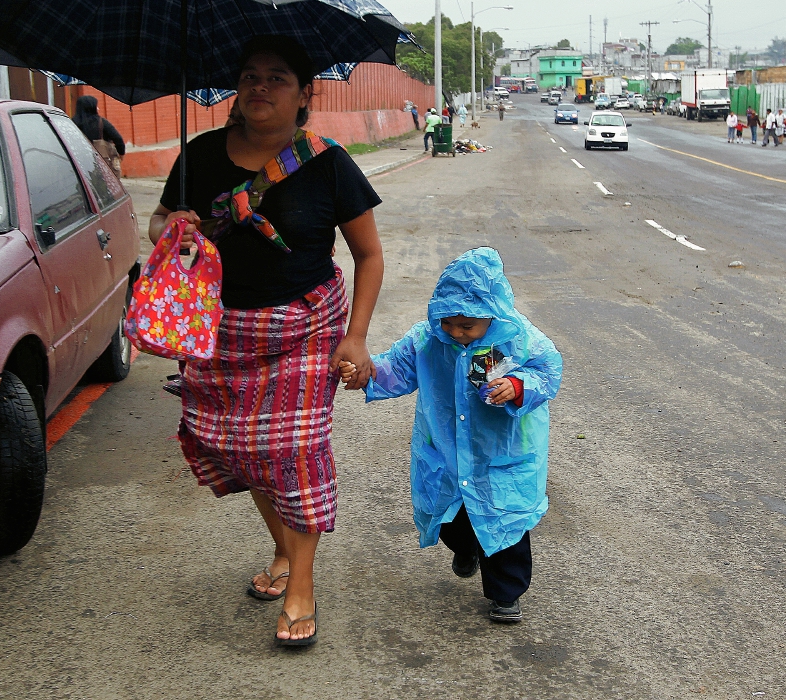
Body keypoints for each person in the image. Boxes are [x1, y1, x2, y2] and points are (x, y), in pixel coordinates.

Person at [148, 35, 385, 647]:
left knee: (294, 454)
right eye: (250, 75)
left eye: (277, 77)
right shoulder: (199, 156)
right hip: (221, 332)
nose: (259, 86)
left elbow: (369, 254)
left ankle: (301, 583)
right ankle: (283, 549)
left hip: (306, 329)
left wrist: (355, 338)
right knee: (245, 452)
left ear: (306, 93)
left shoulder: (329, 162)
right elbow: (159, 220)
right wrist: (171, 225)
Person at [354, 248, 563, 624]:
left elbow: (548, 371)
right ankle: (465, 549)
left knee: (504, 523)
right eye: (448, 323)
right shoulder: (427, 340)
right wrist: (367, 372)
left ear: (491, 315)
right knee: (451, 516)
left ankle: (505, 595)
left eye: (467, 326)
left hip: (501, 452)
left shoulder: (519, 339)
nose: (456, 332)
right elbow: (397, 368)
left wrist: (517, 386)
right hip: (446, 449)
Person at [72, 95, 127, 175]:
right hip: (101, 163)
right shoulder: (102, 122)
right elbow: (118, 139)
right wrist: (121, 154)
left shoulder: (72, 123)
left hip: (80, 163)